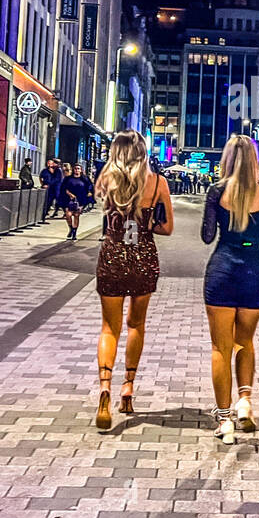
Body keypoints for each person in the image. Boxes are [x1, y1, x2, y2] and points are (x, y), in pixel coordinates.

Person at [200, 135, 259, 444]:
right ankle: (245, 402)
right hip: (256, 272)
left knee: (220, 348)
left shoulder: (216, 191)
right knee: (245, 342)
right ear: (255, 160)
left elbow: (207, 237)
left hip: (222, 270)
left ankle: (224, 420)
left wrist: (214, 210)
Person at [93, 131, 174, 429]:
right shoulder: (157, 184)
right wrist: (149, 222)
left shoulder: (105, 180)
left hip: (112, 254)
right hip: (143, 257)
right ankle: (127, 388)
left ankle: (104, 386)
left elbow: (103, 209)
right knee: (135, 325)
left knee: (109, 328)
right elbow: (167, 229)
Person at [61, 162, 93, 240]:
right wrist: (69, 194)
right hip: (69, 199)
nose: (76, 170)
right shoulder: (68, 178)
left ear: (81, 170)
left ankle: (74, 233)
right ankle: (71, 228)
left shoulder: (85, 179)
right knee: (68, 215)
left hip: (80, 200)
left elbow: (90, 187)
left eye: (78, 169)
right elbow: (64, 188)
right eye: (75, 169)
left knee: (76, 215)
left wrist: (89, 192)